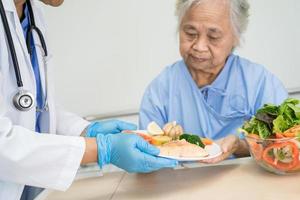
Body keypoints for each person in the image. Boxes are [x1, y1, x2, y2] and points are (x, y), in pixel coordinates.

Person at [0, 0, 177, 200]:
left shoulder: (32, 13)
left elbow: (33, 107)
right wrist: (102, 149)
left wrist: (84, 131)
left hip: (27, 187)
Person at [139, 0, 288, 163]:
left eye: (213, 36)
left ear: (236, 37)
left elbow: (287, 147)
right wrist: (168, 142)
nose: (200, 46)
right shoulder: (160, 91)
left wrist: (241, 146)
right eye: (190, 33)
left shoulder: (259, 83)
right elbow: (146, 157)